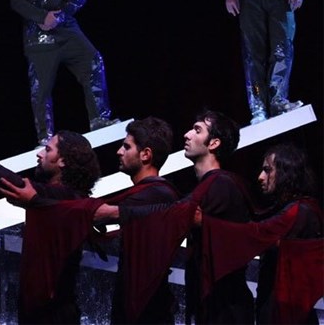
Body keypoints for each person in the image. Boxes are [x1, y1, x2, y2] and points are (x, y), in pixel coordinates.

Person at [96, 110, 254, 324]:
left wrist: (115, 213)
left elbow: (174, 215)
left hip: (226, 308)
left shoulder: (221, 184)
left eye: (197, 130)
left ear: (214, 143)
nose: (187, 135)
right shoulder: (207, 187)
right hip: (214, 305)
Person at [0, 114, 101, 324]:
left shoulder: (65, 197)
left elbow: (10, 181)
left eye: (48, 150)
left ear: (63, 161)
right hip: (41, 310)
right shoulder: (56, 194)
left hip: (52, 314)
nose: (39, 153)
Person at [10, 0, 117, 144]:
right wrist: (42, 17)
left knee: (93, 60)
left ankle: (99, 119)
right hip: (37, 35)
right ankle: (45, 137)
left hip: (66, 28)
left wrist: (59, 16)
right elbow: (16, 0)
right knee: (40, 87)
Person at [103, 117, 181, 324]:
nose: (119, 152)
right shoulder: (151, 193)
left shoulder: (155, 193)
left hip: (147, 311)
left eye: (126, 146)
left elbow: (99, 214)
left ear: (146, 154)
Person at [253, 144, 322, 324]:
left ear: (286, 171)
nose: (260, 177)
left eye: (268, 170)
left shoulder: (300, 212)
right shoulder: (290, 210)